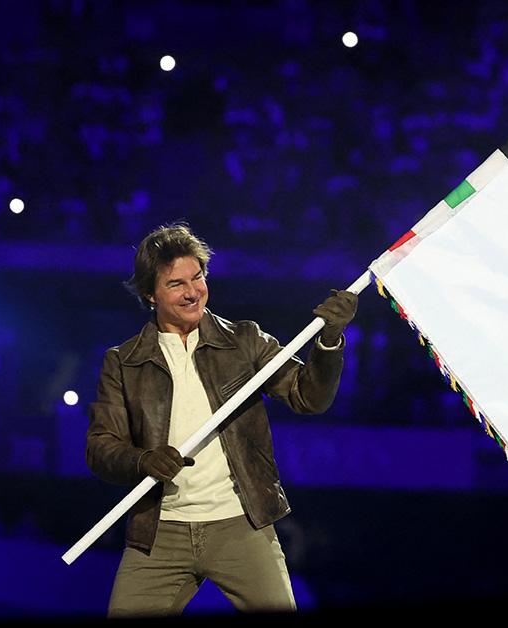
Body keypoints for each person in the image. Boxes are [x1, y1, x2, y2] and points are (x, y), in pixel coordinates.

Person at [86, 222, 357, 615]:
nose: (193, 291)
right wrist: (143, 461)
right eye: (176, 284)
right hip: (160, 531)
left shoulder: (245, 341)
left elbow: (308, 397)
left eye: (197, 277)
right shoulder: (123, 361)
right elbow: (100, 448)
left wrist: (329, 341)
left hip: (241, 524)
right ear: (150, 294)